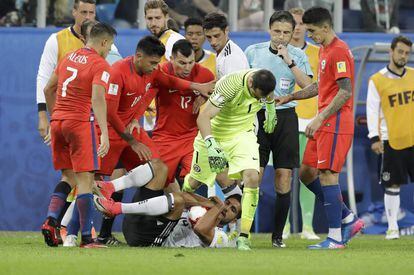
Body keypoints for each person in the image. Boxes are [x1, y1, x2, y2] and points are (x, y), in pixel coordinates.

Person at [275, 7, 364, 249]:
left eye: (312, 31)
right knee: (306, 173)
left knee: (327, 175)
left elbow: (345, 91)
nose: (309, 35)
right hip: (324, 121)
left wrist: (319, 117)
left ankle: (335, 237)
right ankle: (347, 218)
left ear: (325, 27)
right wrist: (290, 96)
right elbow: (320, 87)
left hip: (335, 122)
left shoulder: (339, 51)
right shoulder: (325, 49)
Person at [183, 69, 277, 250]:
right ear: (250, 83)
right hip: (214, 134)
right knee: (193, 184)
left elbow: (269, 93)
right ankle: (181, 216)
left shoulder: (264, 82)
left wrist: (271, 108)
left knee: (252, 177)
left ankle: (243, 237)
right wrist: (210, 144)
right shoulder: (230, 86)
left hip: (242, 135)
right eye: (257, 96)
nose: (260, 101)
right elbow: (203, 116)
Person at [41, 22, 117, 248]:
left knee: (68, 177)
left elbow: (47, 89)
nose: (109, 50)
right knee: (85, 180)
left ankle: (51, 220)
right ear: (103, 42)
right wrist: (103, 132)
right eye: (110, 45)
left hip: (58, 122)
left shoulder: (69, 57)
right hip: (79, 122)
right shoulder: (101, 65)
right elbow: (97, 99)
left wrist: (56, 116)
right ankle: (88, 238)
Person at [245, 10, 313, 248]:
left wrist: (289, 61)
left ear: (292, 33)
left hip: (286, 117)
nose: (281, 37)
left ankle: (277, 238)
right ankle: (243, 233)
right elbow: (243, 84)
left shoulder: (297, 55)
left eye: (286, 32)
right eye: (277, 31)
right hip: (257, 116)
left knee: (283, 179)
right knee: (255, 176)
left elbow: (309, 86)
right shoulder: (253, 52)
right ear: (269, 30)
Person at [92, 167, 241, 248]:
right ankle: (110, 186)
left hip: (149, 240)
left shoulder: (222, 237)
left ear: (233, 221)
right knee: (162, 168)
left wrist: (218, 206)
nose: (226, 208)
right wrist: (205, 202)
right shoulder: (208, 209)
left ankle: (117, 208)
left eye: (232, 210)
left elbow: (200, 229)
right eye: (227, 203)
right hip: (137, 223)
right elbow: (183, 195)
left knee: (177, 201)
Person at [366, 35, 414, 240]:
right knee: (392, 185)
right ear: (391, 52)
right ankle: (393, 227)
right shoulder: (377, 80)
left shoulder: (413, 75)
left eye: (407, 53)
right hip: (390, 140)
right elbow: (371, 110)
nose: (403, 56)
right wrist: (374, 138)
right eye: (400, 51)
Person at [152, 39, 215, 193]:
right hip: (165, 137)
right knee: (156, 184)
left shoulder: (204, 74)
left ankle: (194, 214)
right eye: (182, 63)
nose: (187, 68)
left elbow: (219, 87)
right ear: (171, 59)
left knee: (196, 181)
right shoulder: (161, 72)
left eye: (190, 62)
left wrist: (207, 97)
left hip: (192, 137)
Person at [288, 7, 320, 240]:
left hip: (311, 123)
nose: (298, 27)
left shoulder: (319, 53)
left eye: (301, 23)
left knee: (308, 174)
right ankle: (286, 226)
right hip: (286, 121)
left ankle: (307, 226)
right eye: (294, 23)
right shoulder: (277, 52)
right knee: (283, 176)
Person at [143, 0, 185, 131]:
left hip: (168, 114)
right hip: (151, 112)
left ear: (166, 17)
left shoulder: (174, 40)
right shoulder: (152, 42)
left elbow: (185, 75)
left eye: (158, 18)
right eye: (150, 18)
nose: (153, 23)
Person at [202, 12, 249, 79]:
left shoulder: (232, 58)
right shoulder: (222, 52)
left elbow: (232, 89)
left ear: (226, 30)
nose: (213, 42)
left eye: (217, 36)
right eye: (209, 37)